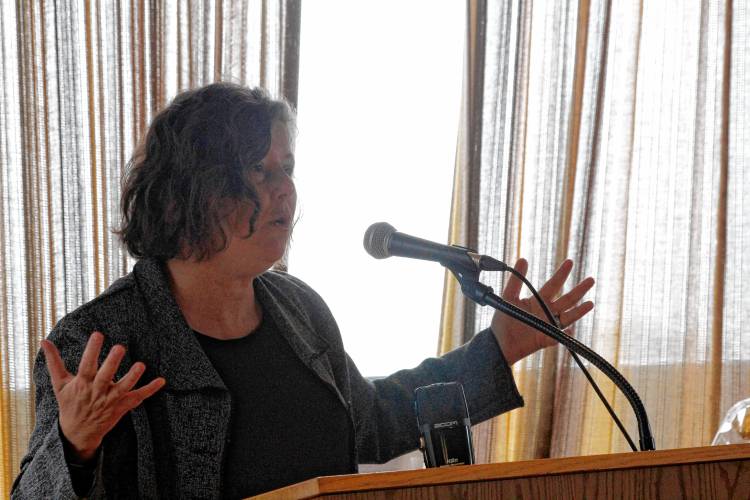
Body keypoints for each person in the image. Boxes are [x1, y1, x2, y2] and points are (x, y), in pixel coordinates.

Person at [11, 82, 595, 499]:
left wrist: (499, 349)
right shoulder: (99, 341)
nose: (284, 192)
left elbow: (375, 421)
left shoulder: (300, 309)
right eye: (258, 172)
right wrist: (76, 442)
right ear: (187, 190)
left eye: (286, 167)